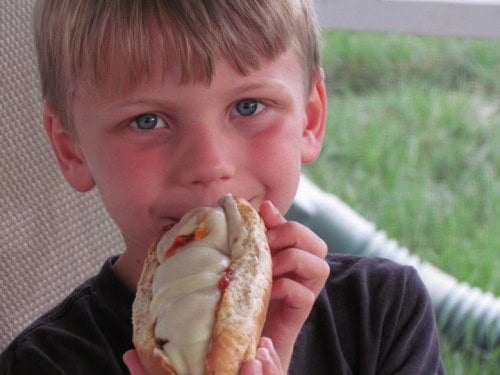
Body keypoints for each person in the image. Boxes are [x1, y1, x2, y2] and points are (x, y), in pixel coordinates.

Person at [0, 0, 444, 374]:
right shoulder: (42, 363)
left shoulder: (383, 314)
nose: (209, 165)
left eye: (248, 106)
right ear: (72, 149)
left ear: (308, 118)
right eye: (147, 120)